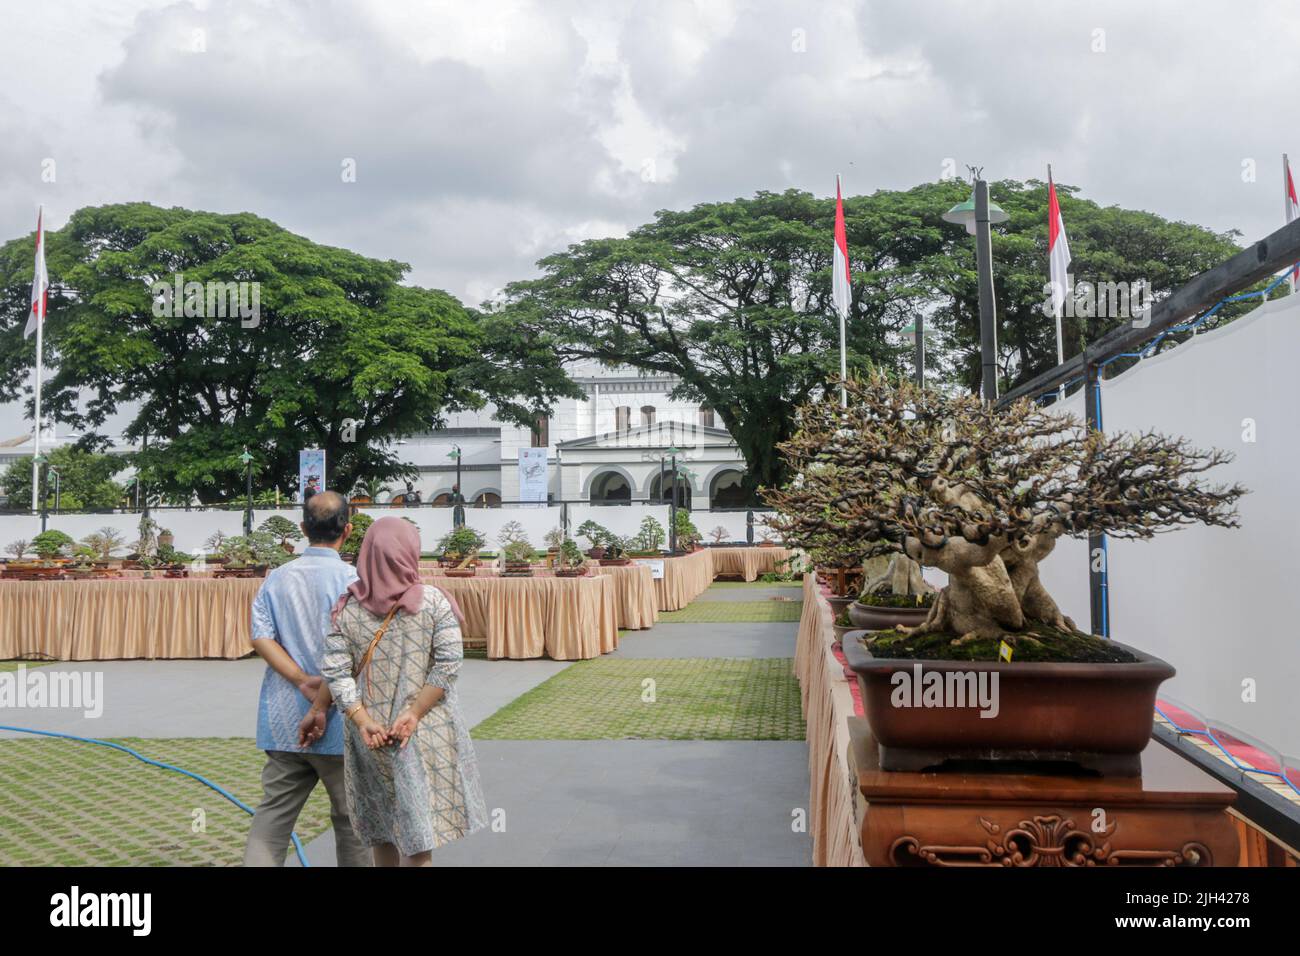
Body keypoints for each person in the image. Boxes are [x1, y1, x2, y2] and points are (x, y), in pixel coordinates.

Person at [301, 516, 486, 866]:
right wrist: (414, 713)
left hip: (370, 737)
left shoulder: (349, 608)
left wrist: (361, 719)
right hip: (421, 731)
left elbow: (336, 672)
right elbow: (448, 663)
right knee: (419, 840)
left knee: (381, 831)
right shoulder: (432, 601)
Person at [242, 491, 370, 867]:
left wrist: (300, 679)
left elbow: (260, 637)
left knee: (272, 820)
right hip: (344, 720)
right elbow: (355, 649)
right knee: (352, 821)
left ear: (302, 529)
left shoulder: (277, 579)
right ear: (347, 529)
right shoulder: (356, 582)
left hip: (284, 720)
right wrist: (324, 697)